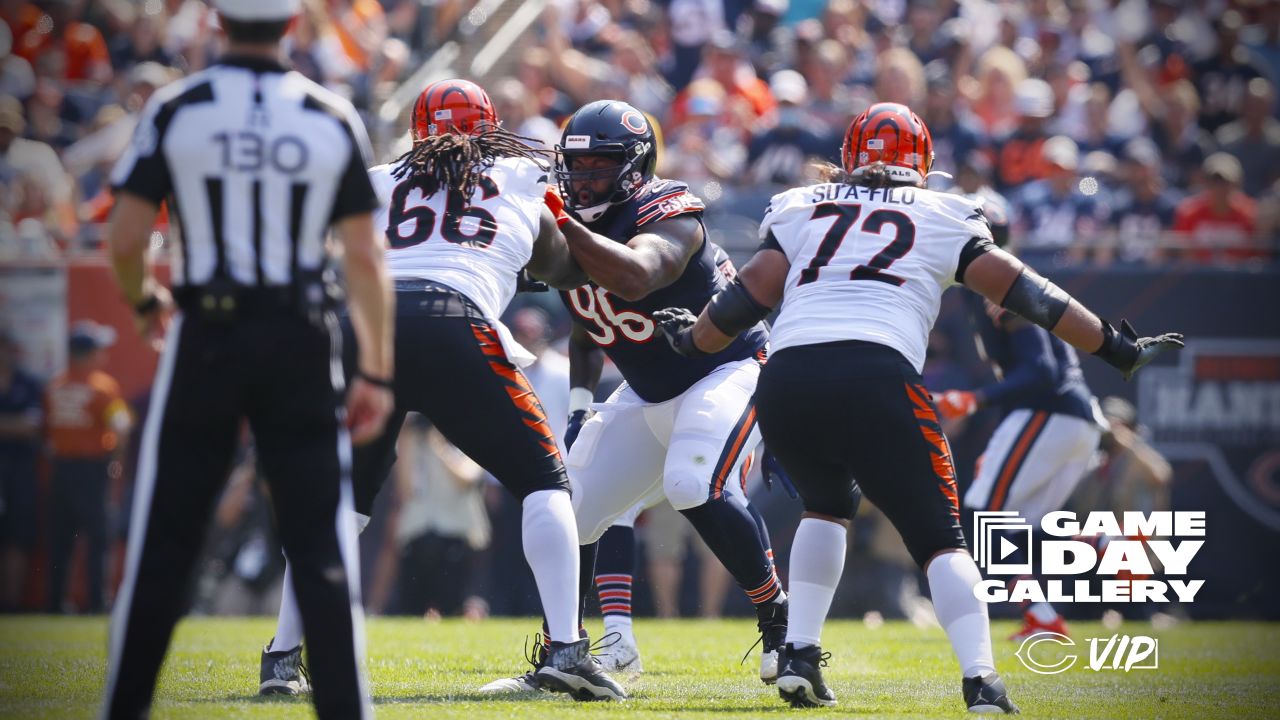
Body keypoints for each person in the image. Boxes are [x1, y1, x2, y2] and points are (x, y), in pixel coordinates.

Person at [652, 102, 1182, 711]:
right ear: (923, 163)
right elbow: (1030, 293)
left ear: (850, 157)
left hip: (790, 377)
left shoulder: (802, 207)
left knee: (826, 507)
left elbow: (747, 298)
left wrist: (691, 339)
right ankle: (981, 679)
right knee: (941, 538)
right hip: (877, 374)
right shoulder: (943, 213)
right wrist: (1114, 346)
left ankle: (799, 652)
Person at [257, 78, 625, 702]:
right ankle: (567, 647)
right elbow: (562, 265)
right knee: (546, 481)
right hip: (455, 319)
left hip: (363, 326)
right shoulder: (520, 173)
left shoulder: (376, 177)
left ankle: (282, 658)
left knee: (342, 500)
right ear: (488, 125)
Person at [100, 0, 395, 716]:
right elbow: (363, 256)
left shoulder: (178, 107)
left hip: (208, 332)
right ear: (293, 25)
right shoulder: (329, 113)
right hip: (301, 335)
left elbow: (127, 237)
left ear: (217, 22)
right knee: (322, 548)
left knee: (164, 541)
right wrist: (377, 371)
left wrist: (146, 304)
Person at [482, 99, 788, 693]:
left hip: (725, 372)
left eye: (599, 166)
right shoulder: (568, 216)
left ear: (634, 167)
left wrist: (560, 222)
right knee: (566, 517)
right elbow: (586, 321)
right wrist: (576, 406)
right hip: (645, 393)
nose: (582, 178)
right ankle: (561, 659)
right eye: (575, 166)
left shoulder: (670, 212)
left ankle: (780, 622)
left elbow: (633, 277)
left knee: (692, 483)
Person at [931, 195, 1105, 642]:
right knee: (1018, 525)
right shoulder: (998, 286)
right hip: (1072, 417)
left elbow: (1041, 371)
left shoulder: (999, 288)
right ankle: (1053, 604)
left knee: (986, 513)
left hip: (1050, 411)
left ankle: (1096, 556)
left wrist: (976, 399)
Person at [43, 320, 132, 614]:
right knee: (98, 538)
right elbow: (121, 426)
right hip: (93, 470)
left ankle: (56, 601)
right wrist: (117, 460)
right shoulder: (102, 387)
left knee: (61, 540)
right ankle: (96, 601)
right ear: (91, 352)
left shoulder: (55, 385)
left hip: (61, 470)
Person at [0, 329, 42, 611]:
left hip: (19, 467)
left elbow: (31, 426)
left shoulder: (28, 383)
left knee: (17, 535)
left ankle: (11, 603)